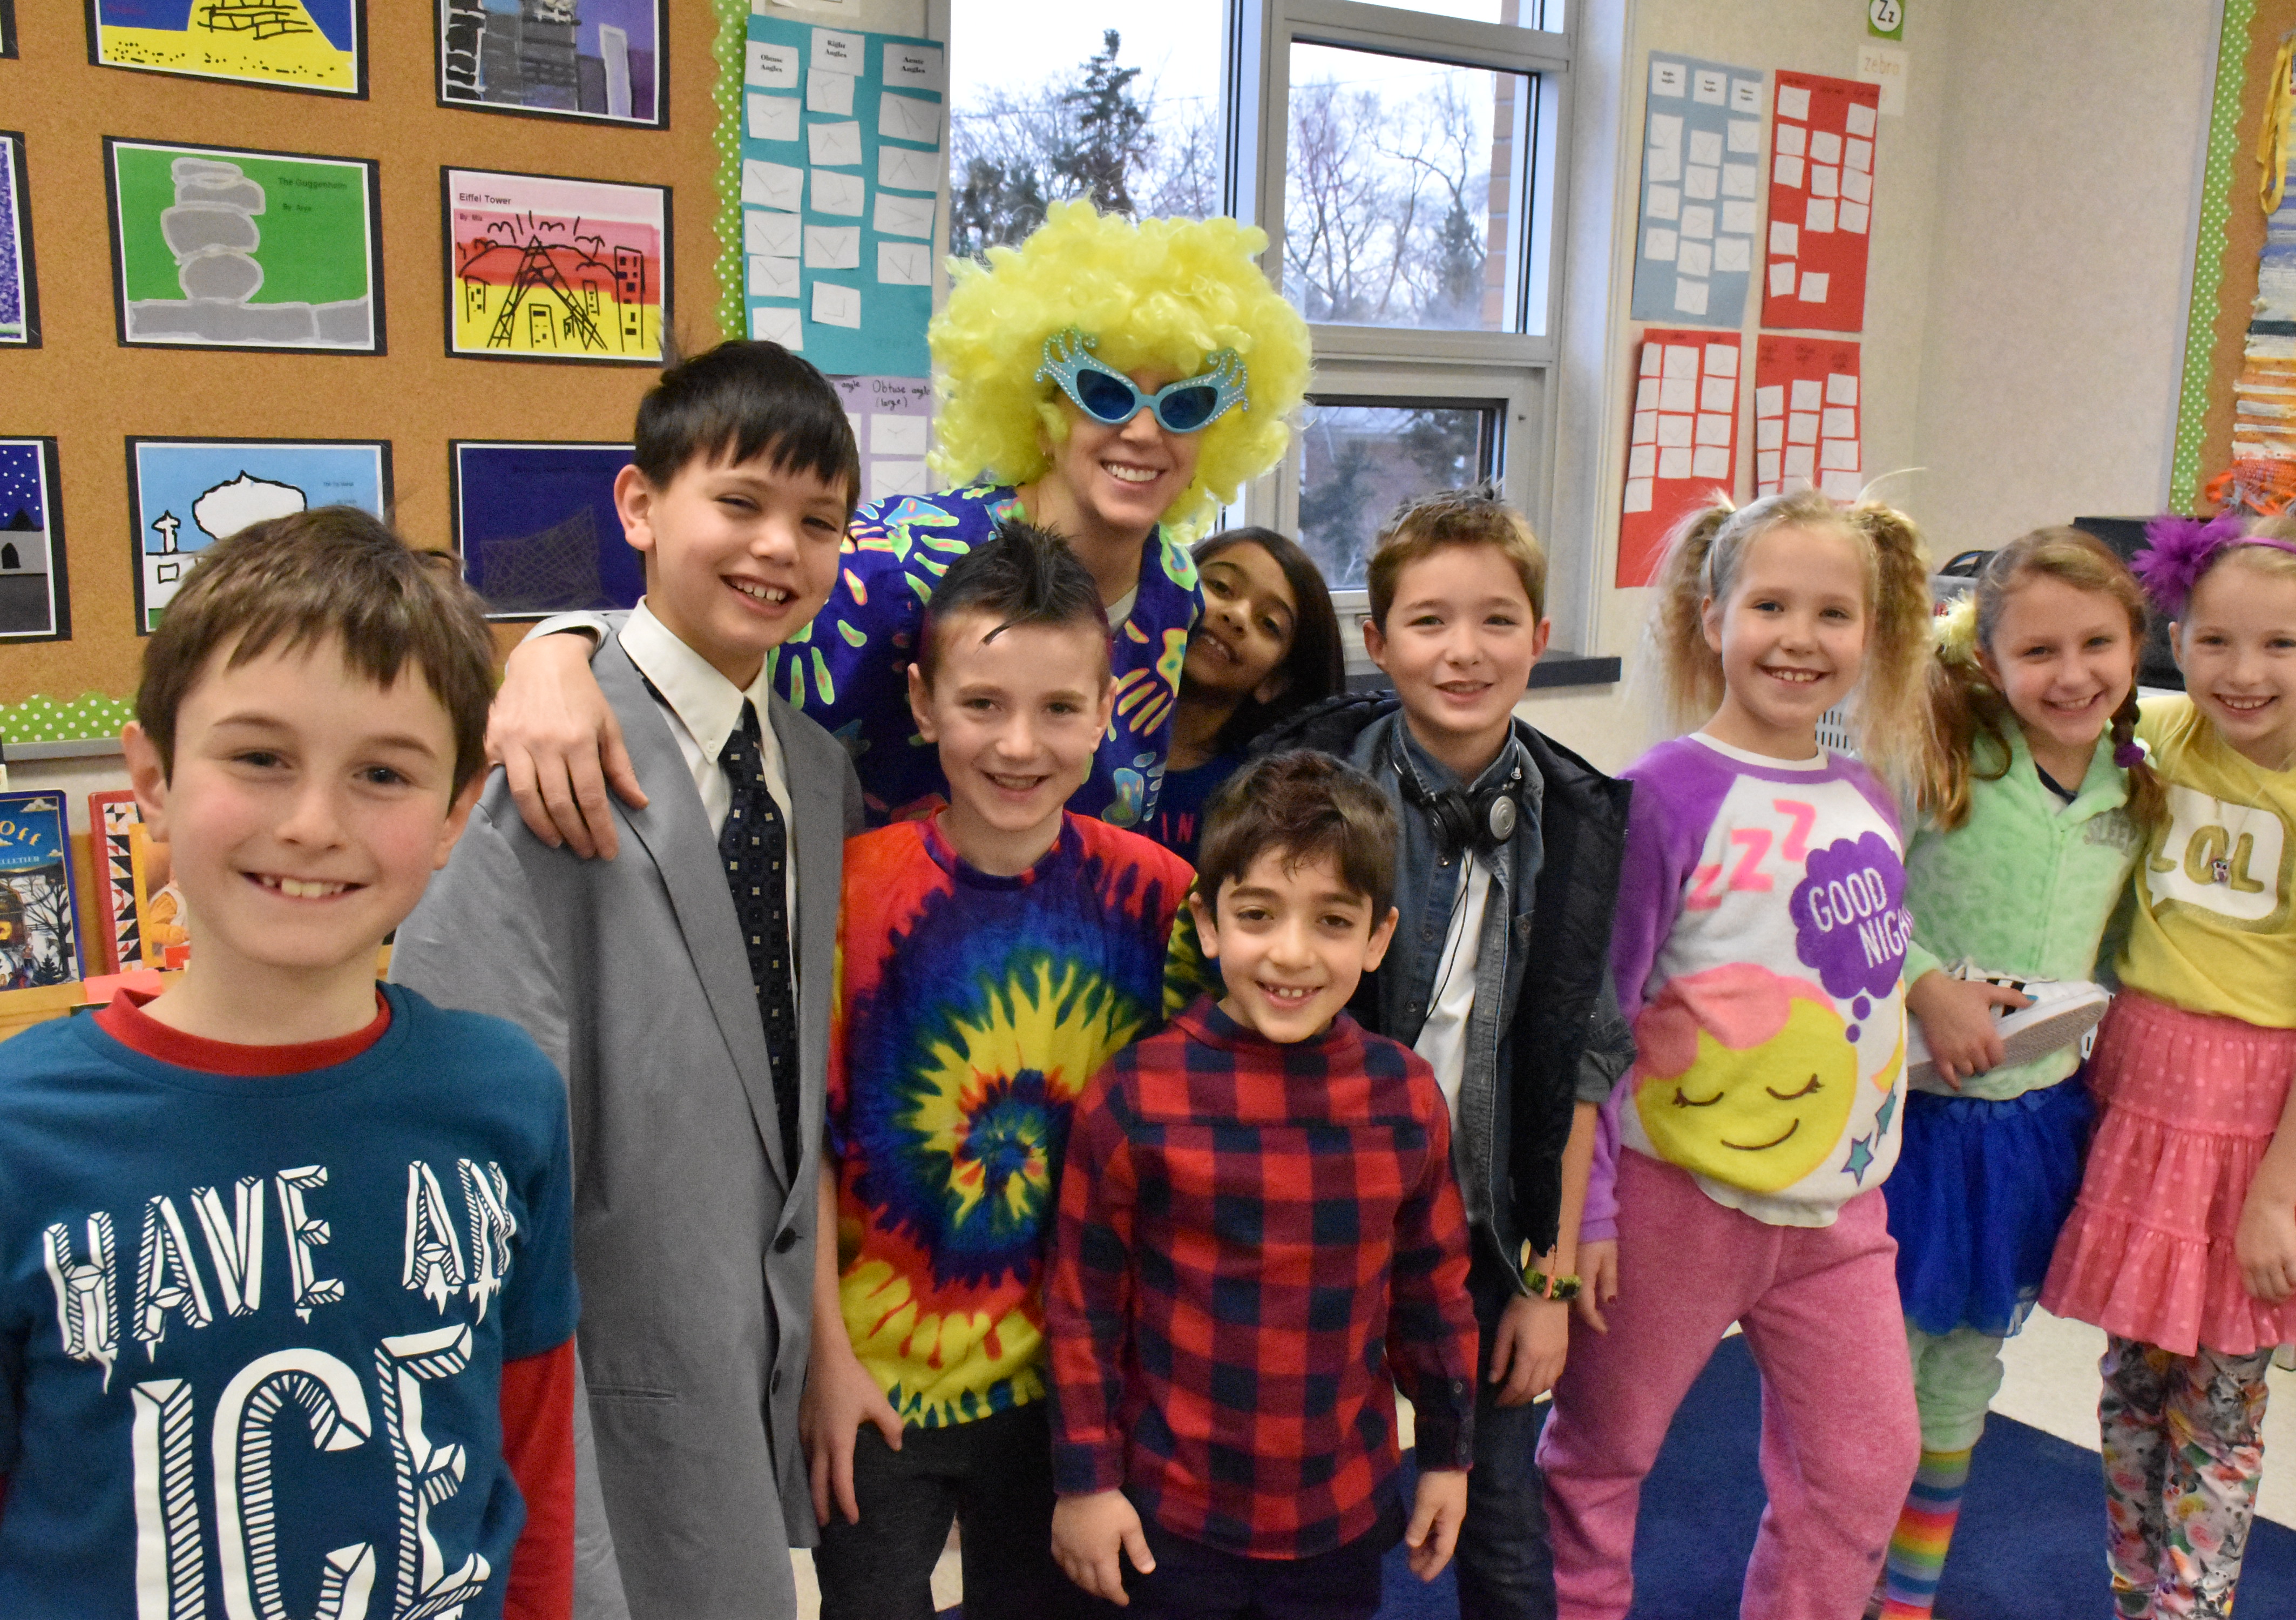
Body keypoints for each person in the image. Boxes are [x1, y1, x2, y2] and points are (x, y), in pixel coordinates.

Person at [0, 512, 579, 1618]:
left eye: (383, 773)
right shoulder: (23, 1129)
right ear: (153, 776)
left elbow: (529, 1469)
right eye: (261, 758)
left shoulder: (504, 1099)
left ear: (457, 813)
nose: (314, 824)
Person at [390, 340, 863, 1619]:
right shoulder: (546, 751)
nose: (778, 547)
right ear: (640, 505)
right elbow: (468, 1147)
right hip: (595, 1379)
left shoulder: (814, 772)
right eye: (740, 502)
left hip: (752, 1360)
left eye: (818, 521)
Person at [485, 200, 1312, 852]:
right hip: (866, 958)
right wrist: (557, 651)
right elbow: (706, 644)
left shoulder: (1174, 588)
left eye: (1187, 405)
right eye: (1103, 393)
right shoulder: (897, 562)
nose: (1142, 431)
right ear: (1042, 411)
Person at [1539, 489, 1937, 1620]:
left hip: (1839, 1212)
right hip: (1674, 1204)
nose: (1799, 639)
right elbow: (1595, 1019)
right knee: (1603, 1455)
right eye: (1769, 606)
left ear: (1871, 634)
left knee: (1866, 1466)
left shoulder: (1867, 796)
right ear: (1712, 619)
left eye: (1833, 614)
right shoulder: (1662, 795)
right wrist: (1589, 1214)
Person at [2037, 514, 2296, 1620]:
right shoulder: (2162, 731)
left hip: (2259, 1125)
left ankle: (2189, 1607)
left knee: (2218, 1402)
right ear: (2175, 639)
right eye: (2214, 641)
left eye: (2278, 646)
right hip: (2145, 1092)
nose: (2242, 673)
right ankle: (2133, 1592)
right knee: (2130, 1380)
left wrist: (2273, 1199)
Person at [1251, 487, 1630, 1620]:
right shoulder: (1302, 793)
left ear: (1539, 636)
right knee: (1309, 1515)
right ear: (1377, 642)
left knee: (1501, 1515)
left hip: (1488, 1228)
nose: (1464, 651)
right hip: (1320, 1231)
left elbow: (1579, 1064)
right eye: (1428, 621)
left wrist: (1545, 1281)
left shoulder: (1579, 817)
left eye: (1496, 620)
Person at [808, 522, 1196, 1619]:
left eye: (1059, 708)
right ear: (924, 704)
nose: (1019, 745)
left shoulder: (1163, 902)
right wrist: (826, 1361)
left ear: (1107, 709)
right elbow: (803, 1157)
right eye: (982, 703)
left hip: (1075, 1391)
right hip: (878, 1381)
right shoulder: (843, 898)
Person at [1048, 750, 1480, 1618]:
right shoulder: (1136, 1097)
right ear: (1208, 924)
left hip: (1338, 1513)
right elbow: (1083, 1312)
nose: (1291, 953)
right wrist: (1085, 1483)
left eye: (1332, 921)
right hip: (1172, 1516)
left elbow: (1432, 1295)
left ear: (1378, 938)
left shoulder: (1404, 1098)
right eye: (1257, 915)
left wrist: (1446, 1454)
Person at [1876, 528, 2168, 1619]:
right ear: (1987, 659)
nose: (2072, 673)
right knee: (1871, 1383)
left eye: (2097, 644)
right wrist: (1923, 983)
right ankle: (1823, 1579)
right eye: (2038, 651)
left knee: (1962, 1378)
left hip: (2028, 1133)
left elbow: (2111, 957)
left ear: (2136, 646)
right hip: (1904, 1128)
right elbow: (1845, 903)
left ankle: (1906, 1598)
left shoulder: (2132, 789)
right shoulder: (1939, 758)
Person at [1147, 526, 1347, 865]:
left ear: (1276, 682)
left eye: (1269, 624)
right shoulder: (1085, 735)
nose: (1237, 615)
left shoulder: (1262, 800)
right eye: (1221, 586)